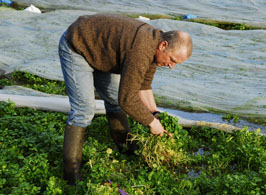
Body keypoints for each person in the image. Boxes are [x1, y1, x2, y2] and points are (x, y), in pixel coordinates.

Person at [58, 13, 193, 184]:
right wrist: (151, 123)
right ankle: (71, 175)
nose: (171, 66)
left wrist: (155, 114)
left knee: (113, 99)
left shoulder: (154, 48)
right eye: (172, 60)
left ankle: (126, 149)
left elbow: (144, 87)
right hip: (77, 46)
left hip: (100, 51)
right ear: (163, 45)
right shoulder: (142, 49)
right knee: (84, 110)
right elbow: (127, 99)